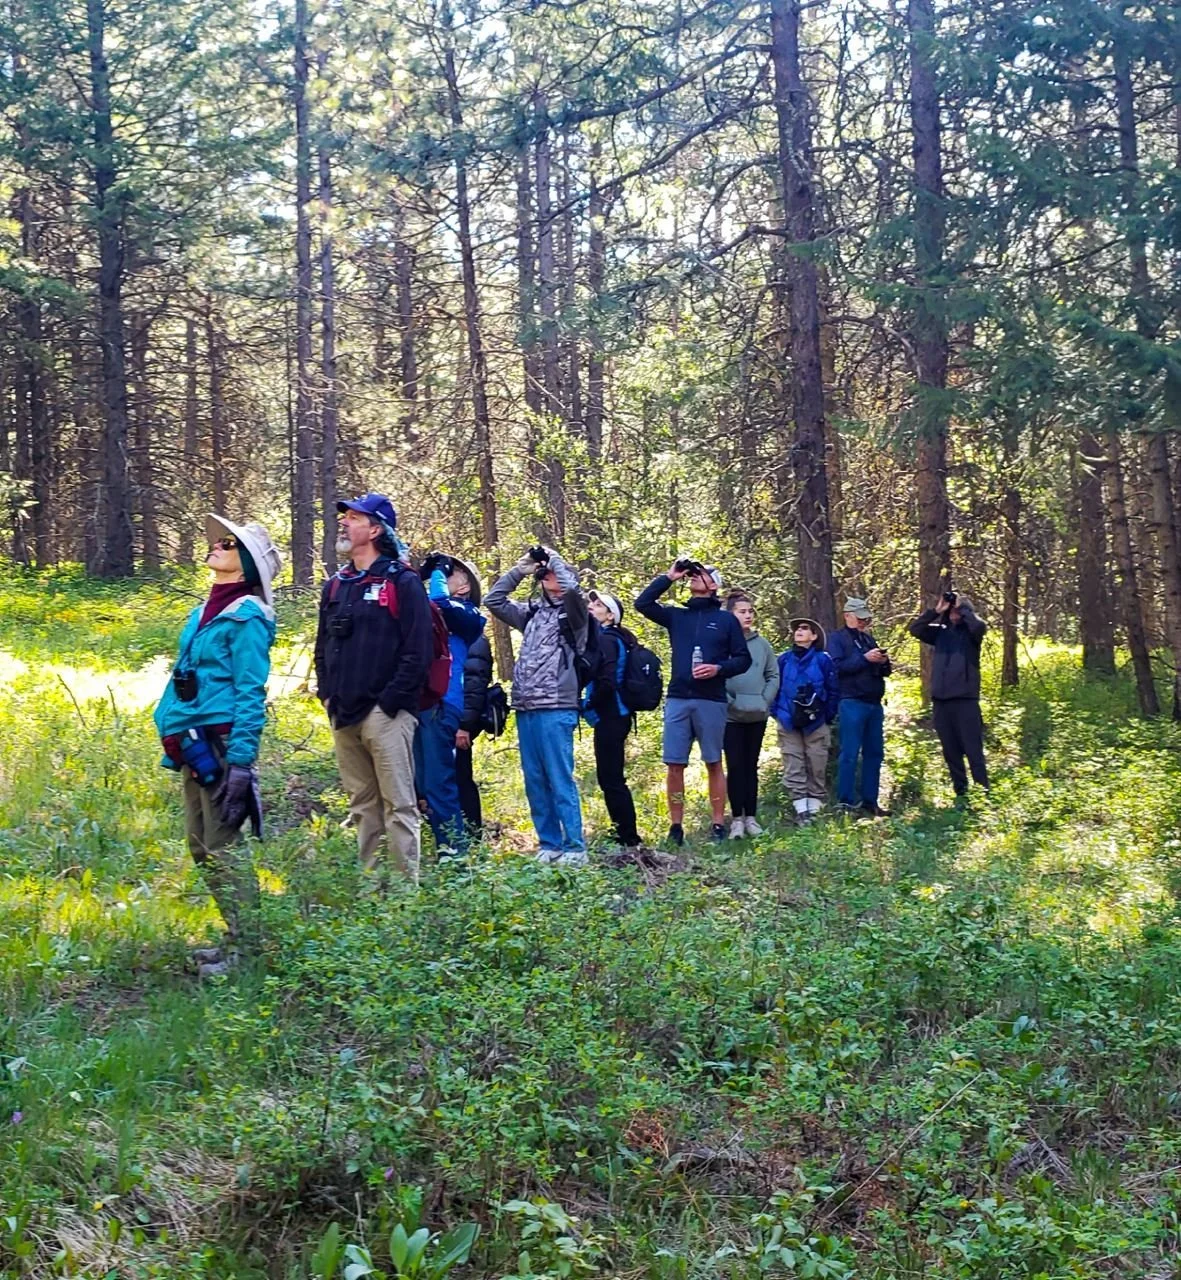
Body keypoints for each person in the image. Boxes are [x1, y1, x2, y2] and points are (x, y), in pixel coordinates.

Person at [154, 514, 281, 978]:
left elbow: (251, 691)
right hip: (191, 743)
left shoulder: (247, 616)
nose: (217, 546)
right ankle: (235, 937)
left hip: (221, 742)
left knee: (223, 844)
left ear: (245, 563)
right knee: (200, 844)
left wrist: (242, 761)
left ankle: (246, 952)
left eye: (228, 544)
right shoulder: (207, 608)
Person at [315, 493, 433, 885]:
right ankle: (372, 892)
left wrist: (388, 704)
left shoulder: (403, 582)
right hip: (343, 714)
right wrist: (328, 696)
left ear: (376, 529)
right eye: (344, 516)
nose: (344, 523)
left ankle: (403, 901)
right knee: (362, 807)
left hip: (387, 717)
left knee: (399, 806)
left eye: (354, 517)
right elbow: (322, 646)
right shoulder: (336, 585)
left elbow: (419, 651)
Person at [635, 560, 751, 845]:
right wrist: (670, 576)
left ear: (714, 586)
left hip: (711, 699)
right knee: (674, 764)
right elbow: (643, 603)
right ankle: (675, 825)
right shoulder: (678, 616)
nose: (695, 577)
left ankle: (717, 823)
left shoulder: (726, 620)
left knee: (713, 762)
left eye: (703, 575)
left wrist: (718, 669)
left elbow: (743, 659)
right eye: (693, 574)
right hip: (678, 698)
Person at [486, 546, 588, 865]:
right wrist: (522, 569)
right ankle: (549, 843)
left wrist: (554, 558)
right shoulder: (531, 612)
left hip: (557, 706)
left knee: (560, 777)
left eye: (556, 572)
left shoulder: (575, 613)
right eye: (546, 574)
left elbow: (572, 589)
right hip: (527, 706)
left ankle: (575, 847)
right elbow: (494, 601)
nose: (550, 577)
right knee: (535, 779)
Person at [415, 554, 486, 856]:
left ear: (465, 585)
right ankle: (443, 847)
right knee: (422, 786)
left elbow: (439, 606)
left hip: (443, 705)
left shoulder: (469, 616)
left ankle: (455, 854)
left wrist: (438, 575)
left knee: (440, 783)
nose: (445, 575)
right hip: (417, 703)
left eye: (454, 573)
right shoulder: (428, 608)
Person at [908, 591, 989, 798]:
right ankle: (961, 793)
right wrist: (936, 611)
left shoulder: (972, 634)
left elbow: (979, 626)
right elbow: (915, 629)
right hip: (942, 702)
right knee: (950, 751)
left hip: (965, 701)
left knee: (973, 750)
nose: (953, 614)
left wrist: (963, 608)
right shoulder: (940, 633)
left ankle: (983, 792)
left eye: (956, 611)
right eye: (951, 611)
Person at [583, 589, 643, 852]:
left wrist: (586, 704)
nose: (591, 607)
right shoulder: (615, 638)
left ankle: (628, 836)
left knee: (611, 778)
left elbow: (606, 682)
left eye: (598, 605)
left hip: (612, 715)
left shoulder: (608, 640)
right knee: (611, 776)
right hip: (616, 715)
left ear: (610, 616)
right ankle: (623, 831)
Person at [827, 596, 892, 818]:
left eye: (866, 619)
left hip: (874, 704)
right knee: (850, 753)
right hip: (851, 701)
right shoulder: (837, 639)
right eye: (860, 618)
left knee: (875, 753)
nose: (864, 623)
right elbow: (836, 668)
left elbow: (886, 671)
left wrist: (883, 661)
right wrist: (864, 659)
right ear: (847, 616)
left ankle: (870, 801)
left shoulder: (868, 640)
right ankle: (845, 801)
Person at [770, 618, 840, 824]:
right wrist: (776, 711)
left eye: (804, 629)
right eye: (797, 629)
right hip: (787, 719)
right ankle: (801, 810)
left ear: (814, 636)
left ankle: (815, 808)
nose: (799, 632)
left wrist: (826, 715)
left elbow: (833, 689)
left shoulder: (823, 660)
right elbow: (774, 685)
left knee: (817, 762)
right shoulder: (783, 659)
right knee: (793, 763)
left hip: (816, 722)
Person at [722, 592, 779, 838]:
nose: (748, 615)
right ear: (730, 614)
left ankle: (751, 819)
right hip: (730, 717)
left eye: (750, 611)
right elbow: (716, 675)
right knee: (734, 766)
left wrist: (764, 701)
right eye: (742, 611)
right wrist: (730, 703)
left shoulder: (762, 644)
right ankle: (736, 820)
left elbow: (773, 675)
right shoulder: (721, 643)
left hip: (757, 715)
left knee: (750, 766)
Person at [456, 631, 493, 837]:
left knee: (461, 778)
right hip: (441, 717)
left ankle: (471, 835)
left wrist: (465, 725)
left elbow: (475, 684)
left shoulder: (474, 636)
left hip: (460, 721)